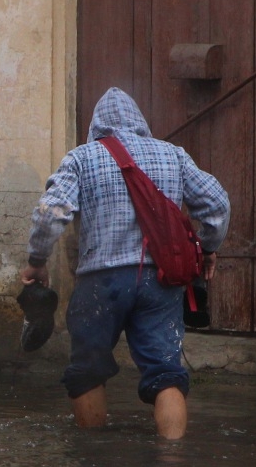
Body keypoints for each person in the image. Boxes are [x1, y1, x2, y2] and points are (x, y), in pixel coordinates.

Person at [21, 88, 230, 440]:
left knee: (87, 371)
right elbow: (217, 203)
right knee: (166, 373)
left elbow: (49, 214)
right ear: (139, 121)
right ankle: (173, 464)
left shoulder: (82, 158)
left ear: (96, 126)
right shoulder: (173, 155)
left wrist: (37, 261)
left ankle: (93, 460)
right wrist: (208, 248)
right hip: (160, 282)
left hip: (100, 283)